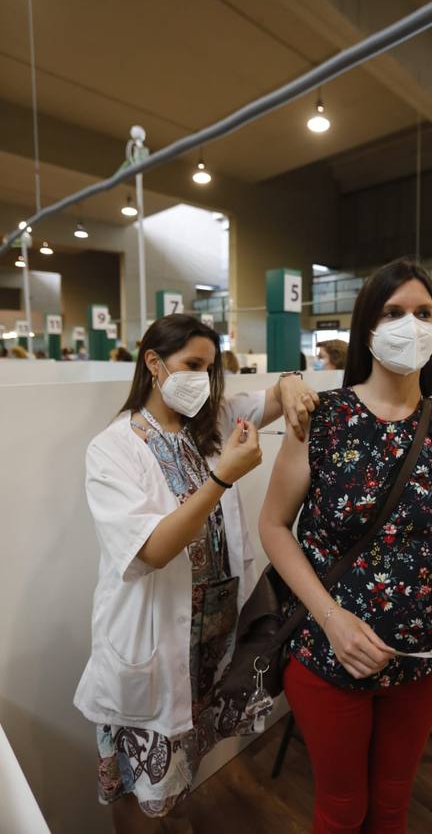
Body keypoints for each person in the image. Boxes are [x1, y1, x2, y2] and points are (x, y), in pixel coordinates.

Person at [259, 259, 432, 834]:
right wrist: (331, 618)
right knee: (341, 809)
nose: (410, 325)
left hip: (423, 652)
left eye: (423, 313)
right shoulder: (322, 418)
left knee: (391, 803)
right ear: (367, 329)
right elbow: (275, 526)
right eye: (393, 312)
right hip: (329, 650)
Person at [74, 314, 318, 832]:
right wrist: (221, 477)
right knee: (138, 781)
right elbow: (153, 550)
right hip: (155, 646)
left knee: (185, 762)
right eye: (191, 365)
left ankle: (177, 815)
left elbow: (275, 394)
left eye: (211, 367)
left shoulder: (214, 422)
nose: (203, 380)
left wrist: (294, 381)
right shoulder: (114, 448)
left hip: (210, 641)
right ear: (154, 363)